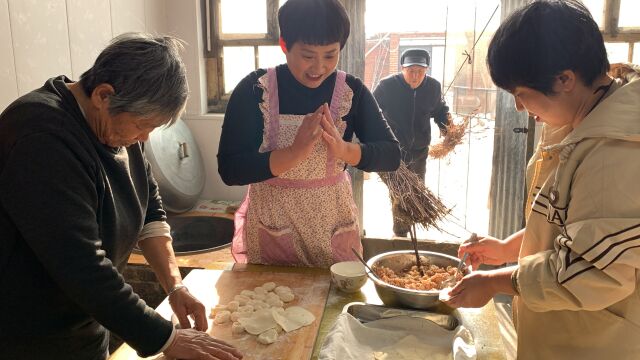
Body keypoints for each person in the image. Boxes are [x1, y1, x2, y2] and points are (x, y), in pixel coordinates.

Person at [0, 33, 242, 360]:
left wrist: (175, 287)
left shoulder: (118, 126)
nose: (143, 138)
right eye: (142, 126)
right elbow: (82, 266)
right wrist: (168, 339)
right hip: (28, 341)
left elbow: (149, 212)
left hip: (83, 330)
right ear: (104, 95)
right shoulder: (41, 138)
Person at [441, 1, 640, 359]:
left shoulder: (617, 150)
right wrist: (505, 248)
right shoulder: (575, 121)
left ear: (565, 79)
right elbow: (566, 226)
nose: (519, 107)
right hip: (557, 333)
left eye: (520, 94)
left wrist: (497, 281)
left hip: (593, 344)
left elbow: (589, 270)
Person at [217, 0, 400, 268]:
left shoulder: (352, 90)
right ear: (284, 45)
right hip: (273, 224)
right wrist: (293, 154)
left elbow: (391, 155)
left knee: (334, 304)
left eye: (330, 55)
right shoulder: (256, 89)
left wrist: (344, 150)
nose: (319, 67)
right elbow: (230, 169)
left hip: (332, 224)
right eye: (307, 55)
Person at [373, 48, 450, 237]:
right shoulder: (387, 86)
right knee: (400, 193)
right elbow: (371, 109)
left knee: (416, 191)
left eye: (420, 71)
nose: (415, 76)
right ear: (402, 68)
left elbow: (439, 110)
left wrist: (448, 129)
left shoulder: (433, 87)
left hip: (419, 150)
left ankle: (411, 229)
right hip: (393, 150)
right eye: (411, 70)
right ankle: (400, 234)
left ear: (427, 69)